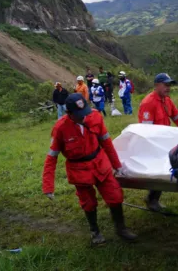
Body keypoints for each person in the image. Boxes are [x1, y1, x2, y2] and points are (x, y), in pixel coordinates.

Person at [42, 93, 137, 245]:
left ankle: (121, 228)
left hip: (100, 163)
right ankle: (95, 232)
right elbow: (51, 157)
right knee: (88, 202)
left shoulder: (95, 117)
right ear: (69, 113)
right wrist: (48, 185)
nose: (83, 118)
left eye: (84, 113)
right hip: (78, 170)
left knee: (115, 195)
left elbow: (106, 143)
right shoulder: (60, 128)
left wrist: (117, 166)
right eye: (79, 115)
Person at [138, 73, 178, 211]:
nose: (168, 88)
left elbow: (177, 117)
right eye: (165, 85)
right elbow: (145, 130)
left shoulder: (167, 100)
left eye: (169, 85)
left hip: (164, 142)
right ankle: (152, 199)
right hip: (153, 144)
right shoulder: (148, 103)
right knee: (158, 171)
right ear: (156, 86)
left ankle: (153, 198)